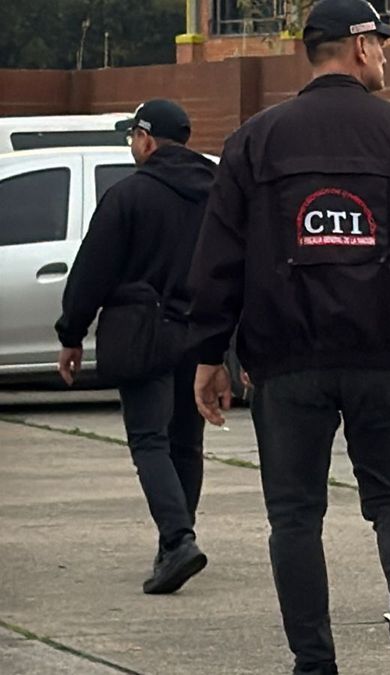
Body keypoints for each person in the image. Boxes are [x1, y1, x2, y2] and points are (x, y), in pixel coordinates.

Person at [185, 1, 390, 673]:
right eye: (381, 43)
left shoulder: (255, 141)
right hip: (388, 354)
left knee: (294, 515)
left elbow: (218, 256)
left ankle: (314, 662)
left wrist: (209, 353)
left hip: (287, 359)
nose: (386, 55)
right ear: (358, 47)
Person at [55, 99, 215, 595]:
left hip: (141, 331)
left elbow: (92, 270)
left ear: (146, 140)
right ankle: (176, 543)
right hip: (197, 331)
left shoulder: (128, 195)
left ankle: (178, 539)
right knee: (186, 442)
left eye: (132, 137)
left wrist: (71, 333)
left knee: (149, 440)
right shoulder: (216, 194)